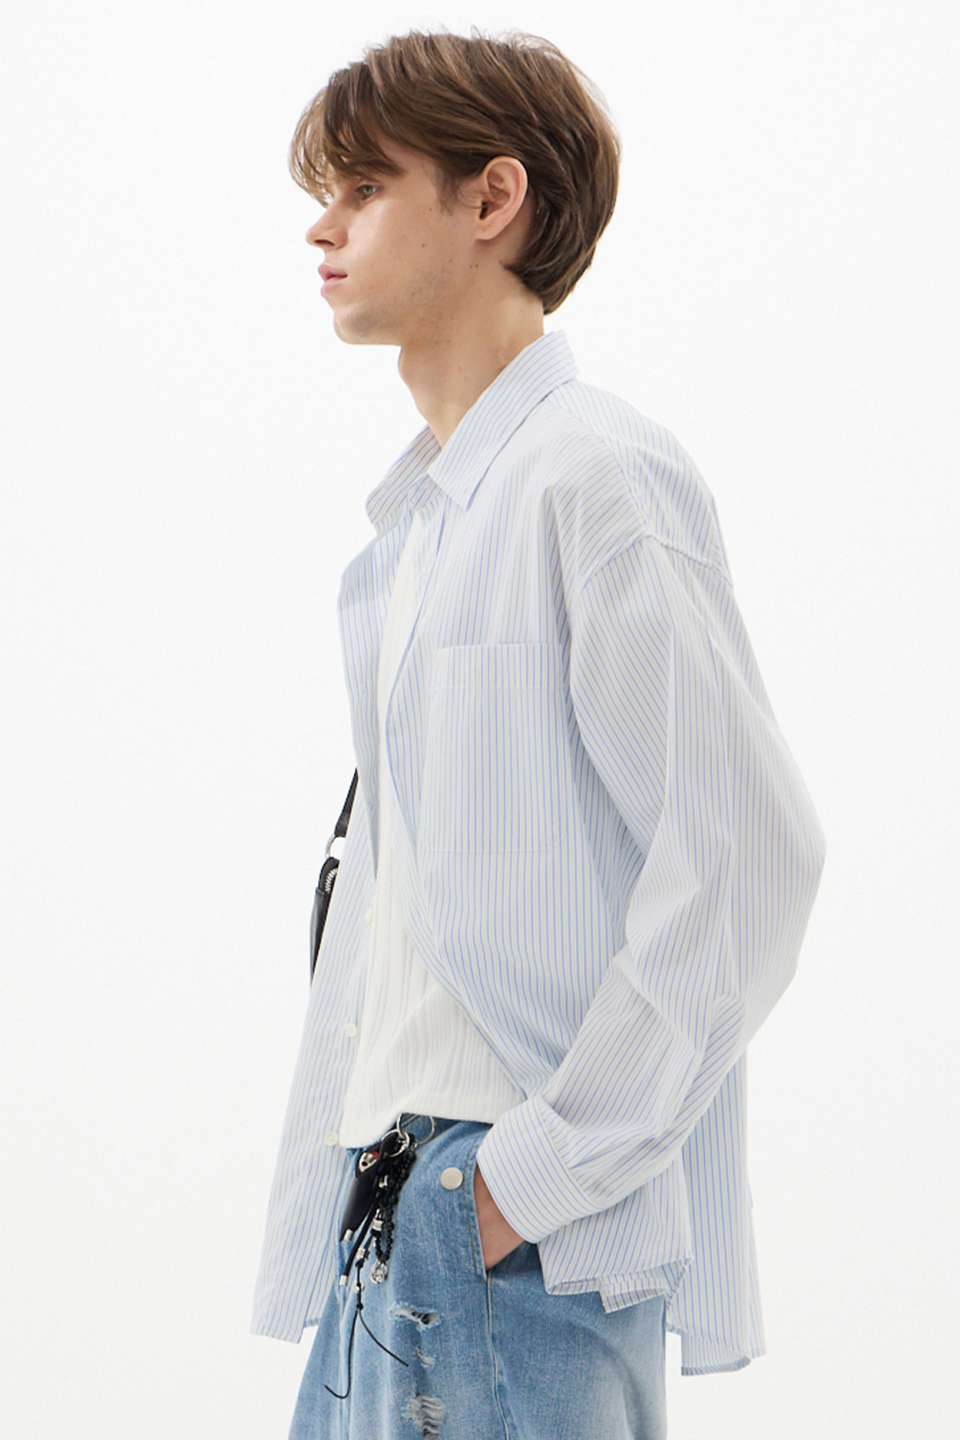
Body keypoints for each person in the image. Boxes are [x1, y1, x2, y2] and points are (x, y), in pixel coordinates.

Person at [252, 30, 825, 1440]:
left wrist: (532, 1175)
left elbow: (748, 856)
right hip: (391, 1205)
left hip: (506, 1225)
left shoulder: (594, 476)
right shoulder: (418, 530)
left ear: (491, 199)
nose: (322, 227)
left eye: (364, 187)